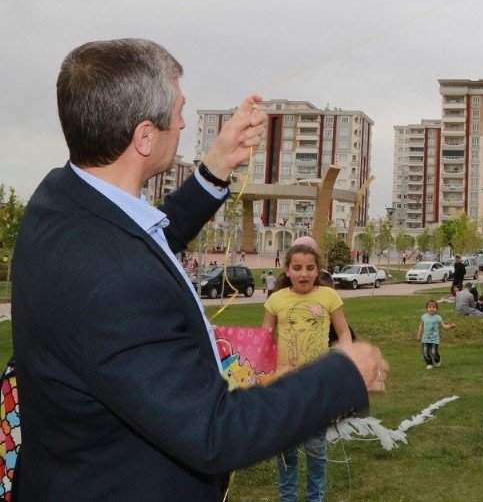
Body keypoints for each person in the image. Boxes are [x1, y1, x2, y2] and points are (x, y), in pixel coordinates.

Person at [10, 38, 387, 500]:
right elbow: (216, 432)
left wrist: (213, 169)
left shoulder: (60, 202)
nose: (184, 123)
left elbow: (142, 245)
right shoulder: (112, 281)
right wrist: (342, 374)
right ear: (145, 136)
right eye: (179, 111)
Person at [263, 243, 351, 501]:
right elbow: (265, 340)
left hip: (317, 385)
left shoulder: (328, 297)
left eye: (310, 268)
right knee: (286, 452)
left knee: (315, 449)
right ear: (287, 270)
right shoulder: (275, 300)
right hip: (285, 386)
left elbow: (343, 331)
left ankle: (316, 498)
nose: (304, 274)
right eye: (297, 268)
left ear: (318, 271)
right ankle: (287, 498)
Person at [416, 300, 455, 369]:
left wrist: (450, 326)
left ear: (437, 309)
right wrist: (418, 335)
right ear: (426, 308)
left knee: (433, 352)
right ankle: (429, 363)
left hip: (434, 339)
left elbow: (444, 326)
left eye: (434, 307)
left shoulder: (438, 318)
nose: (431, 308)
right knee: (425, 353)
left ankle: (437, 359)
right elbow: (421, 326)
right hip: (425, 339)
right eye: (430, 307)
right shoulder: (424, 317)